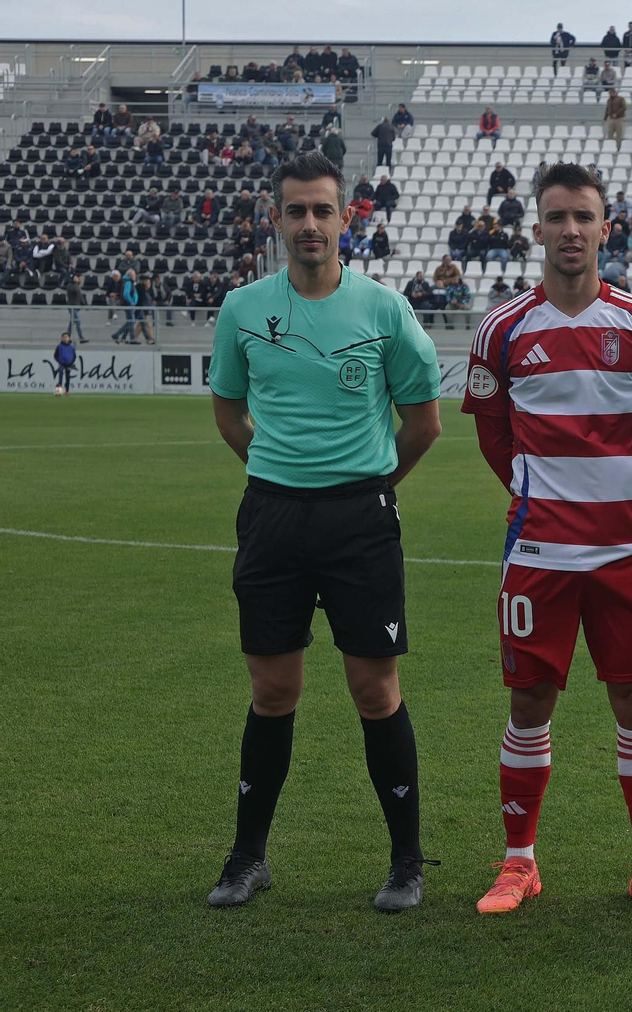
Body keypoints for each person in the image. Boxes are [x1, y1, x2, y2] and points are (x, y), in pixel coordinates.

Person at [204, 153, 444, 913]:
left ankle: (406, 861)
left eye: (322, 210)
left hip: (359, 520)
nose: (309, 224)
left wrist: (367, 487)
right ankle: (248, 858)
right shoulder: (243, 309)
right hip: (273, 516)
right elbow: (227, 411)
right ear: (275, 220)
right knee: (273, 690)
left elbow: (423, 422)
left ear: (347, 218)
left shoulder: (384, 310)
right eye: (295, 211)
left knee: (375, 691)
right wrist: (279, 473)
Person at [462, 162, 632, 919]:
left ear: (604, 228)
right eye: (556, 217)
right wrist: (535, 496)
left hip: (624, 549)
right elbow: (494, 436)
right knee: (529, 699)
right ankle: (518, 863)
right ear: (536, 229)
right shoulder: (502, 328)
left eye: (582, 217)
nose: (569, 230)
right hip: (537, 551)